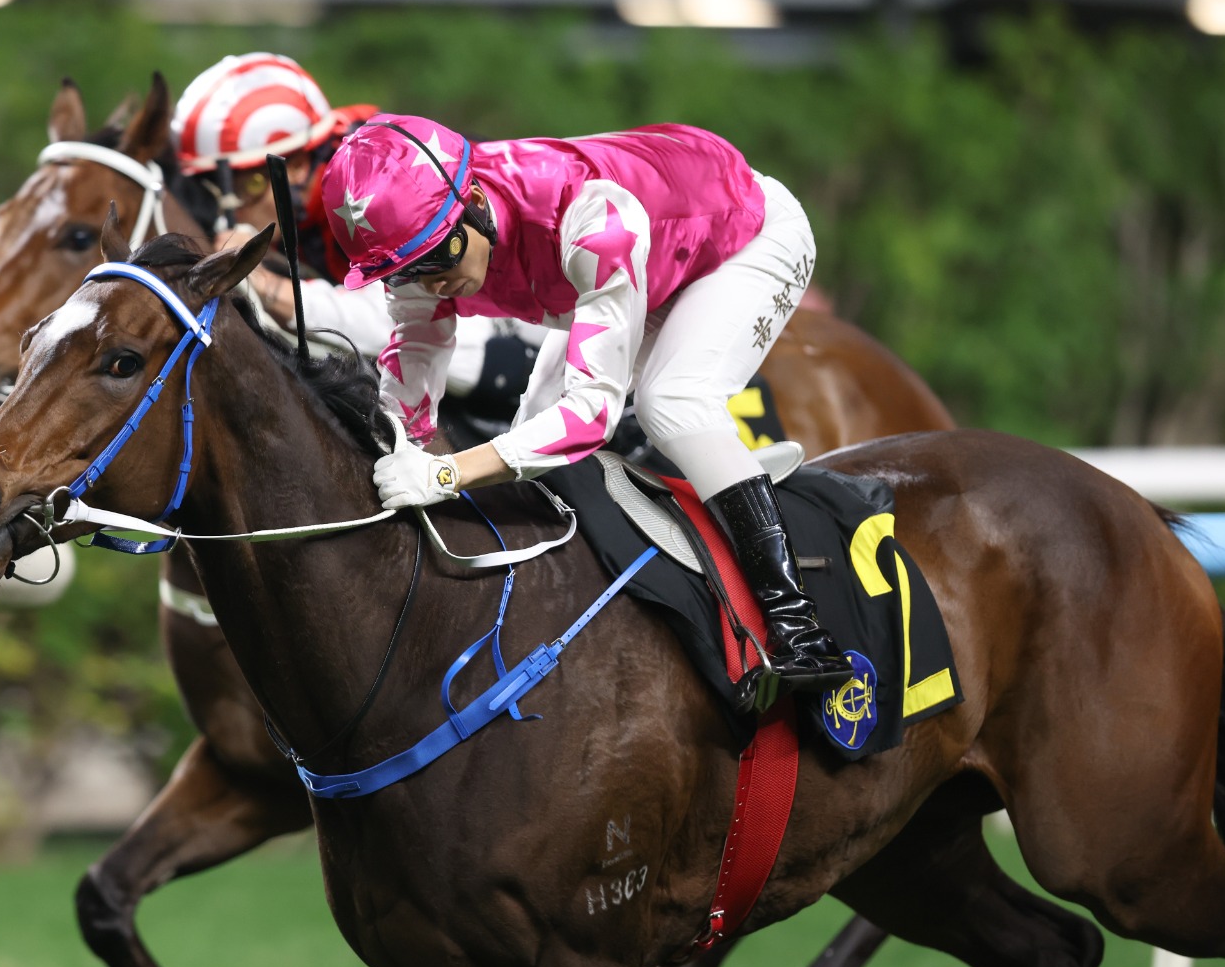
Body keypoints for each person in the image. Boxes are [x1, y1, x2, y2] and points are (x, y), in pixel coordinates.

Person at [320, 115, 853, 703]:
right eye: (407, 273)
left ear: (474, 202)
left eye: (437, 258)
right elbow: (415, 356)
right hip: (644, 255)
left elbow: (591, 416)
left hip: (745, 236)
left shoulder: (591, 217)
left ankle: (801, 629)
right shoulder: (424, 235)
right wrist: (396, 447)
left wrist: (445, 473)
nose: (433, 283)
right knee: (528, 434)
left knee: (672, 403)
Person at [169, 53, 542, 410]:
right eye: (217, 188)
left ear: (296, 165)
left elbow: (399, 320)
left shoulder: (378, 187)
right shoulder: (314, 201)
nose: (233, 207)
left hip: (527, 340)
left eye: (248, 185)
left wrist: (265, 287)